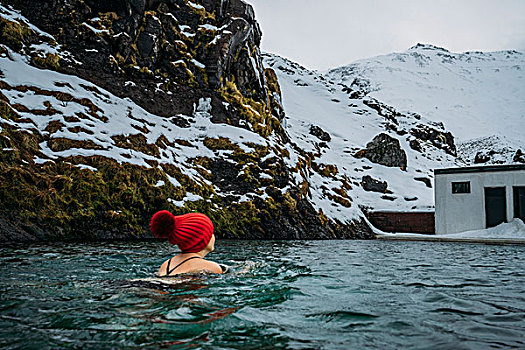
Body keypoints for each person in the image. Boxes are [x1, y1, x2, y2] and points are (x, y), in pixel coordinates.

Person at [150, 210, 223, 276]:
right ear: (202, 240)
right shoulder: (211, 267)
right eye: (211, 232)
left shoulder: (166, 265)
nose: (213, 236)